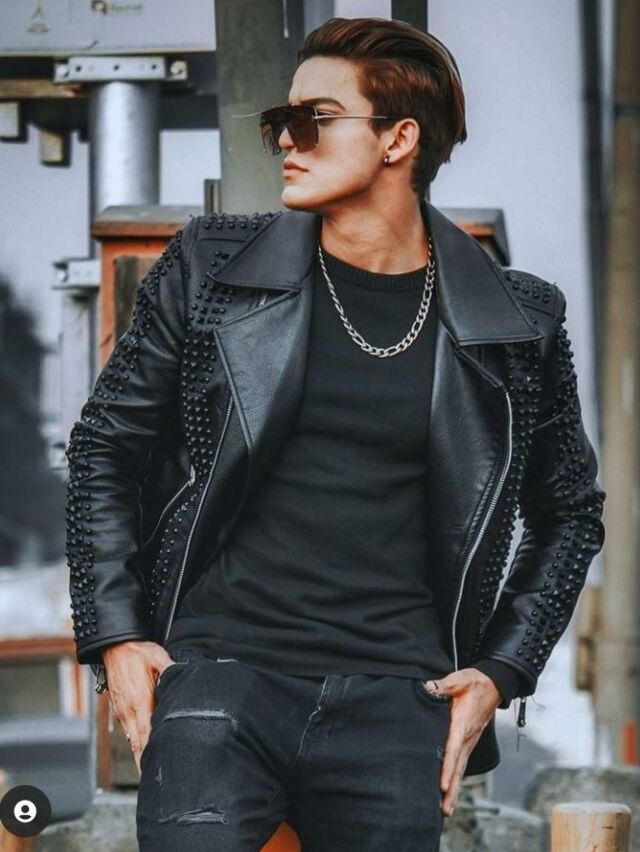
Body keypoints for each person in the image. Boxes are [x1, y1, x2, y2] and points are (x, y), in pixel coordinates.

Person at [65, 16, 606, 852]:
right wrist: (118, 635)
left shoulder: (517, 320)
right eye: (281, 121)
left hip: (398, 699)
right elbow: (104, 444)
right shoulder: (212, 268)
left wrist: (503, 671)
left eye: (314, 119)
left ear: (398, 139)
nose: (288, 139)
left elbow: (569, 511)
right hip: (221, 676)